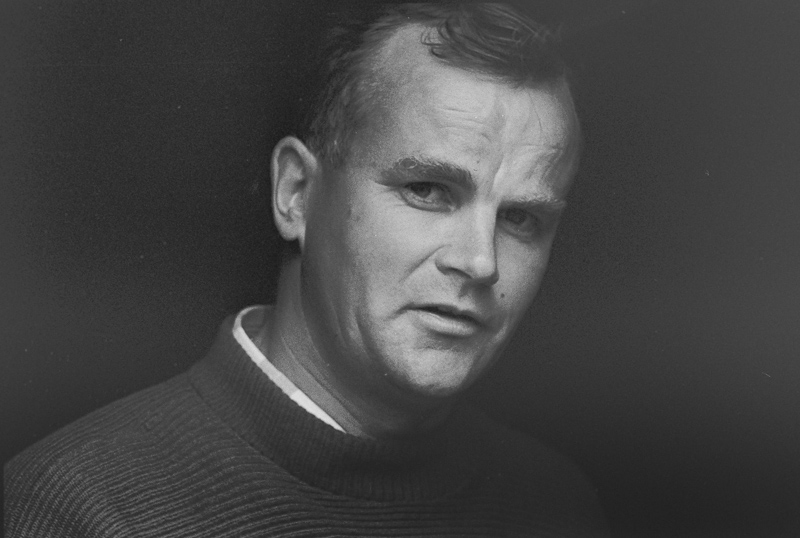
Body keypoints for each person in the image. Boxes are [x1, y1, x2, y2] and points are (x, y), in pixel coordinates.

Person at [5, 3, 606, 536]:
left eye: (521, 219)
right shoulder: (82, 509)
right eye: (427, 190)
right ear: (296, 193)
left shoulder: (559, 505)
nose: (480, 261)